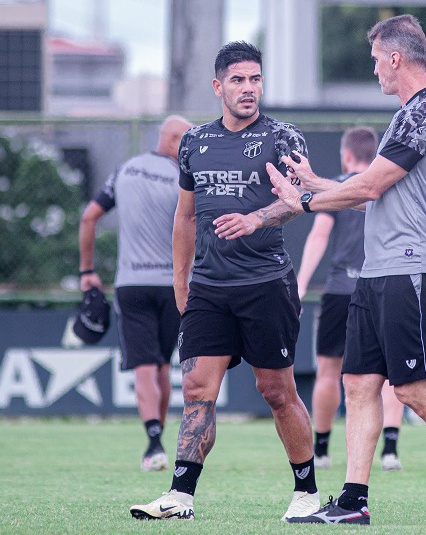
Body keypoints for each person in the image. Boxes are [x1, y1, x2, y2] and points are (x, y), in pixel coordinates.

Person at [215, 15, 426, 525]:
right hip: (378, 272)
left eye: (376, 60)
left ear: (396, 58)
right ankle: (353, 500)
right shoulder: (407, 115)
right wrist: (316, 182)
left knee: (413, 387)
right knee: (358, 383)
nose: (375, 70)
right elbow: (372, 190)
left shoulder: (425, 112)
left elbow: (369, 189)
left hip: (411, 268)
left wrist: (304, 199)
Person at [129, 41, 319, 522]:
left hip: (266, 284)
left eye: (255, 79)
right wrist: (180, 279)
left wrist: (255, 218)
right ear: (218, 87)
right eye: (238, 80)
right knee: (196, 388)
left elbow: (298, 199)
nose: (249, 88)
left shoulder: (283, 137)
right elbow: (185, 216)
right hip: (209, 288)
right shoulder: (194, 142)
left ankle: (307, 493)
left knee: (276, 390)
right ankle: (179, 496)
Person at [78, 115, 193, 472]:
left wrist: (87, 271)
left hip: (131, 284)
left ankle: (154, 443)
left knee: (144, 368)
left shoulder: (125, 170)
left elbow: (88, 217)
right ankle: (156, 443)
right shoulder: (185, 178)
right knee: (162, 366)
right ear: (175, 140)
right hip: (173, 285)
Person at [295, 126, 406, 473]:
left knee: (329, 370)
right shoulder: (385, 184)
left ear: (346, 155)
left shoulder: (339, 185)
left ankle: (323, 449)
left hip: (341, 289)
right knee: (390, 373)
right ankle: (390, 449)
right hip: (384, 286)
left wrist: (300, 284)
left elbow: (320, 235)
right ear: (374, 155)